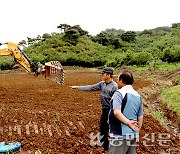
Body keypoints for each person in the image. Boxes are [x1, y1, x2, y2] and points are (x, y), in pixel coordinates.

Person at [70, 67, 118, 152]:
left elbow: (116, 101)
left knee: (108, 128)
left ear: (108, 75)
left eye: (103, 74)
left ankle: (110, 147)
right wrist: (77, 87)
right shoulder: (102, 84)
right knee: (103, 128)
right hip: (104, 110)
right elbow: (91, 87)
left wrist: (113, 113)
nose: (101, 75)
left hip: (110, 110)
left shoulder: (114, 86)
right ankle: (105, 147)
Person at [108, 70, 143, 154]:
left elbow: (116, 112)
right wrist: (137, 130)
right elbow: (140, 116)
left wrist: (128, 122)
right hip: (133, 135)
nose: (117, 82)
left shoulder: (119, 93)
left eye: (118, 79)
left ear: (121, 80)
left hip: (120, 135)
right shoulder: (138, 96)